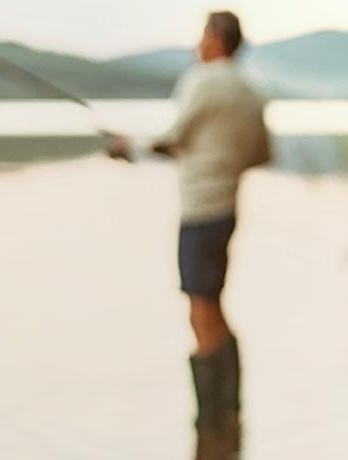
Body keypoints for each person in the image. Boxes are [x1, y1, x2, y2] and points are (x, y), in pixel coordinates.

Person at [106, 10, 270, 460]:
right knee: (213, 302)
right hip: (228, 209)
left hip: (200, 212)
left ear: (217, 38)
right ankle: (228, 416)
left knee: (200, 308)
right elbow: (262, 152)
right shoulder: (252, 91)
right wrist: (220, 158)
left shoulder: (202, 81)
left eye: (202, 33)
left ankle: (210, 421)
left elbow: (173, 138)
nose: (198, 43)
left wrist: (127, 147)